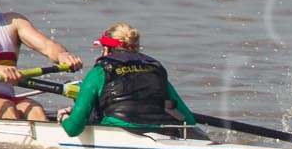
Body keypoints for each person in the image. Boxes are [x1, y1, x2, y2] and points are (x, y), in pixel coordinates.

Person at [57, 24, 199, 138]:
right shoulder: (156, 69)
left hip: (118, 133)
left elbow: (73, 129)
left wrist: (65, 117)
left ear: (107, 49)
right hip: (164, 132)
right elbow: (189, 121)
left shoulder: (99, 72)